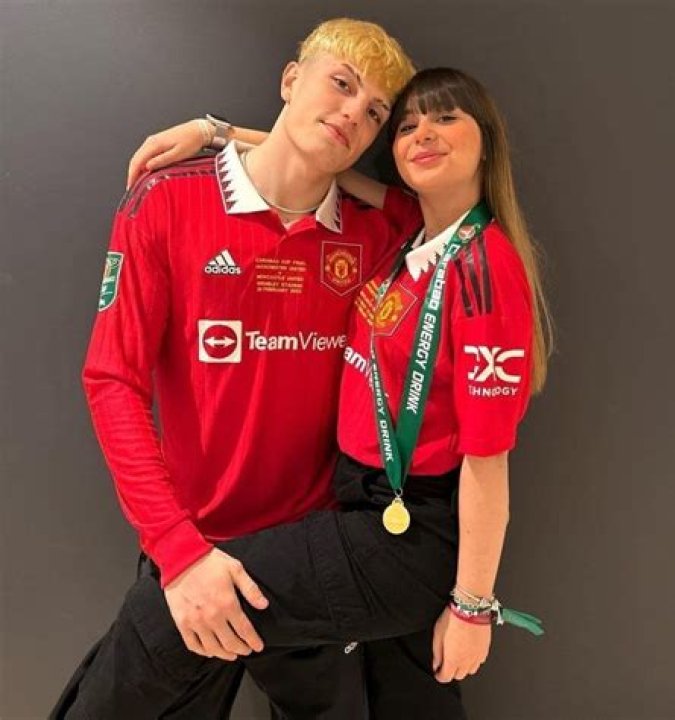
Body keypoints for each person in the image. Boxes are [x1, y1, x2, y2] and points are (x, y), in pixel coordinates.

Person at [54, 65, 552, 719]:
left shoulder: (483, 268)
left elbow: (489, 462)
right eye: (406, 125)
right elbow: (317, 154)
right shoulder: (409, 229)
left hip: (405, 524)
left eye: (445, 118)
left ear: (487, 140)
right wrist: (216, 134)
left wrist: (473, 606)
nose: (422, 133)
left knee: (168, 620)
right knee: (409, 703)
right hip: (352, 506)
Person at [50, 18, 419, 720]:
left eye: (375, 111)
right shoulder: (165, 200)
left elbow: (433, 208)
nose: (353, 113)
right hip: (195, 555)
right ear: (290, 80)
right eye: (341, 84)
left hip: (312, 559)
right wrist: (179, 552)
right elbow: (112, 381)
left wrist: (221, 131)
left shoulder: (373, 234)